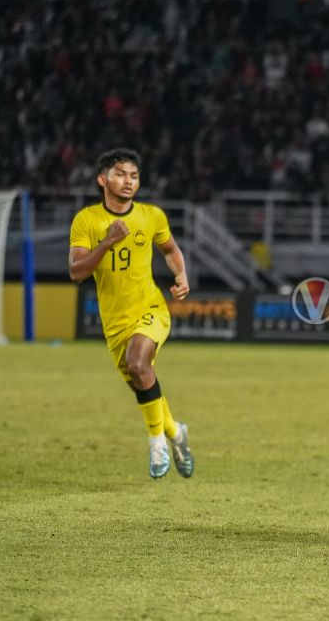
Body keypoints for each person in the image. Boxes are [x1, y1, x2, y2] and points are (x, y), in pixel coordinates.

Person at [68, 148, 194, 479]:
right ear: (102, 179)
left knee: (139, 364)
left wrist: (180, 274)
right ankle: (175, 432)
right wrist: (107, 241)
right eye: (121, 174)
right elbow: (76, 271)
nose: (128, 181)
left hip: (151, 309)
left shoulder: (152, 216)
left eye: (134, 176)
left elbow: (171, 250)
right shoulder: (87, 220)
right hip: (115, 323)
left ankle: (157, 443)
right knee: (143, 381)